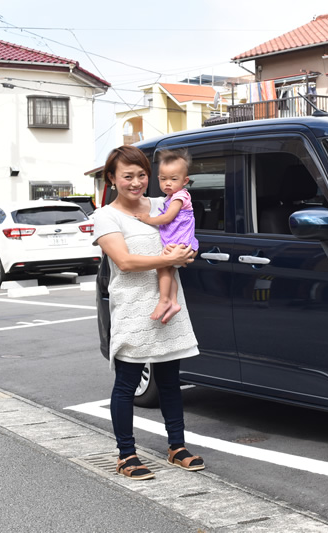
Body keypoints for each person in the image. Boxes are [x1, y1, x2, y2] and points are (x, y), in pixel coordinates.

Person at [92, 145, 205, 480]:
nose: (137, 182)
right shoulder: (106, 216)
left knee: (170, 380)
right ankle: (126, 454)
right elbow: (125, 262)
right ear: (112, 179)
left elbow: (184, 237)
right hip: (133, 307)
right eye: (128, 176)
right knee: (127, 383)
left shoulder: (161, 205)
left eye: (142, 175)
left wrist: (187, 253)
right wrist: (171, 259)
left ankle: (177, 447)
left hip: (168, 303)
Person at [135, 149, 199, 324]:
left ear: (185, 181)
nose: (167, 184)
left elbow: (168, 218)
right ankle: (174, 302)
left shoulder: (179, 196)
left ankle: (164, 301)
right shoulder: (170, 197)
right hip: (181, 242)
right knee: (169, 272)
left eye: (173, 179)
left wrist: (148, 219)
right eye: (163, 179)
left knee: (163, 268)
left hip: (181, 243)